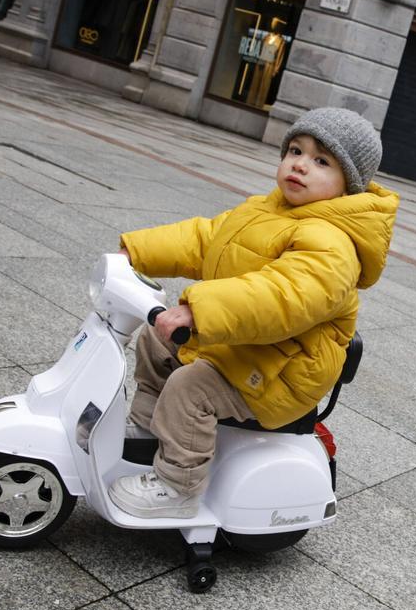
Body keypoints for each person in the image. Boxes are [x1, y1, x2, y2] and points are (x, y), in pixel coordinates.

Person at [110, 107, 399, 518]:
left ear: (348, 186)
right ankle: (148, 428)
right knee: (156, 340)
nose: (300, 164)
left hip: (283, 368)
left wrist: (199, 312)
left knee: (192, 388)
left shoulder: (333, 243)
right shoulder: (266, 210)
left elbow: (281, 297)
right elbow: (205, 239)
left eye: (321, 161)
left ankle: (177, 486)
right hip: (252, 346)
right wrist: (137, 252)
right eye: (295, 150)